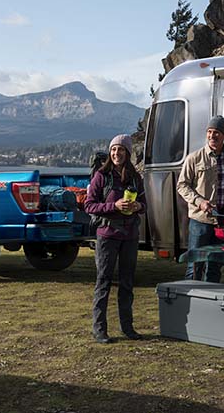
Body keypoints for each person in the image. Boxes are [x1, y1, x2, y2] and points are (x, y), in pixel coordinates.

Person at [85, 134, 146, 344]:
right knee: (103, 281)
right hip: (107, 236)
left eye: (120, 150)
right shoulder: (102, 176)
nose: (116, 154)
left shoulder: (136, 178)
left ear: (128, 153)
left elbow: (145, 204)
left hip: (130, 236)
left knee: (127, 283)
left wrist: (138, 206)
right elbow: (89, 205)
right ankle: (99, 329)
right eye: (113, 150)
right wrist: (114, 206)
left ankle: (127, 328)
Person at [176, 116, 224, 282]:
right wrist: (199, 201)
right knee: (195, 265)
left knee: (215, 265)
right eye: (209, 132)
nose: (212, 136)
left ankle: (210, 303)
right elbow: (182, 186)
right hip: (201, 221)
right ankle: (191, 301)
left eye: (216, 133)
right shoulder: (194, 158)